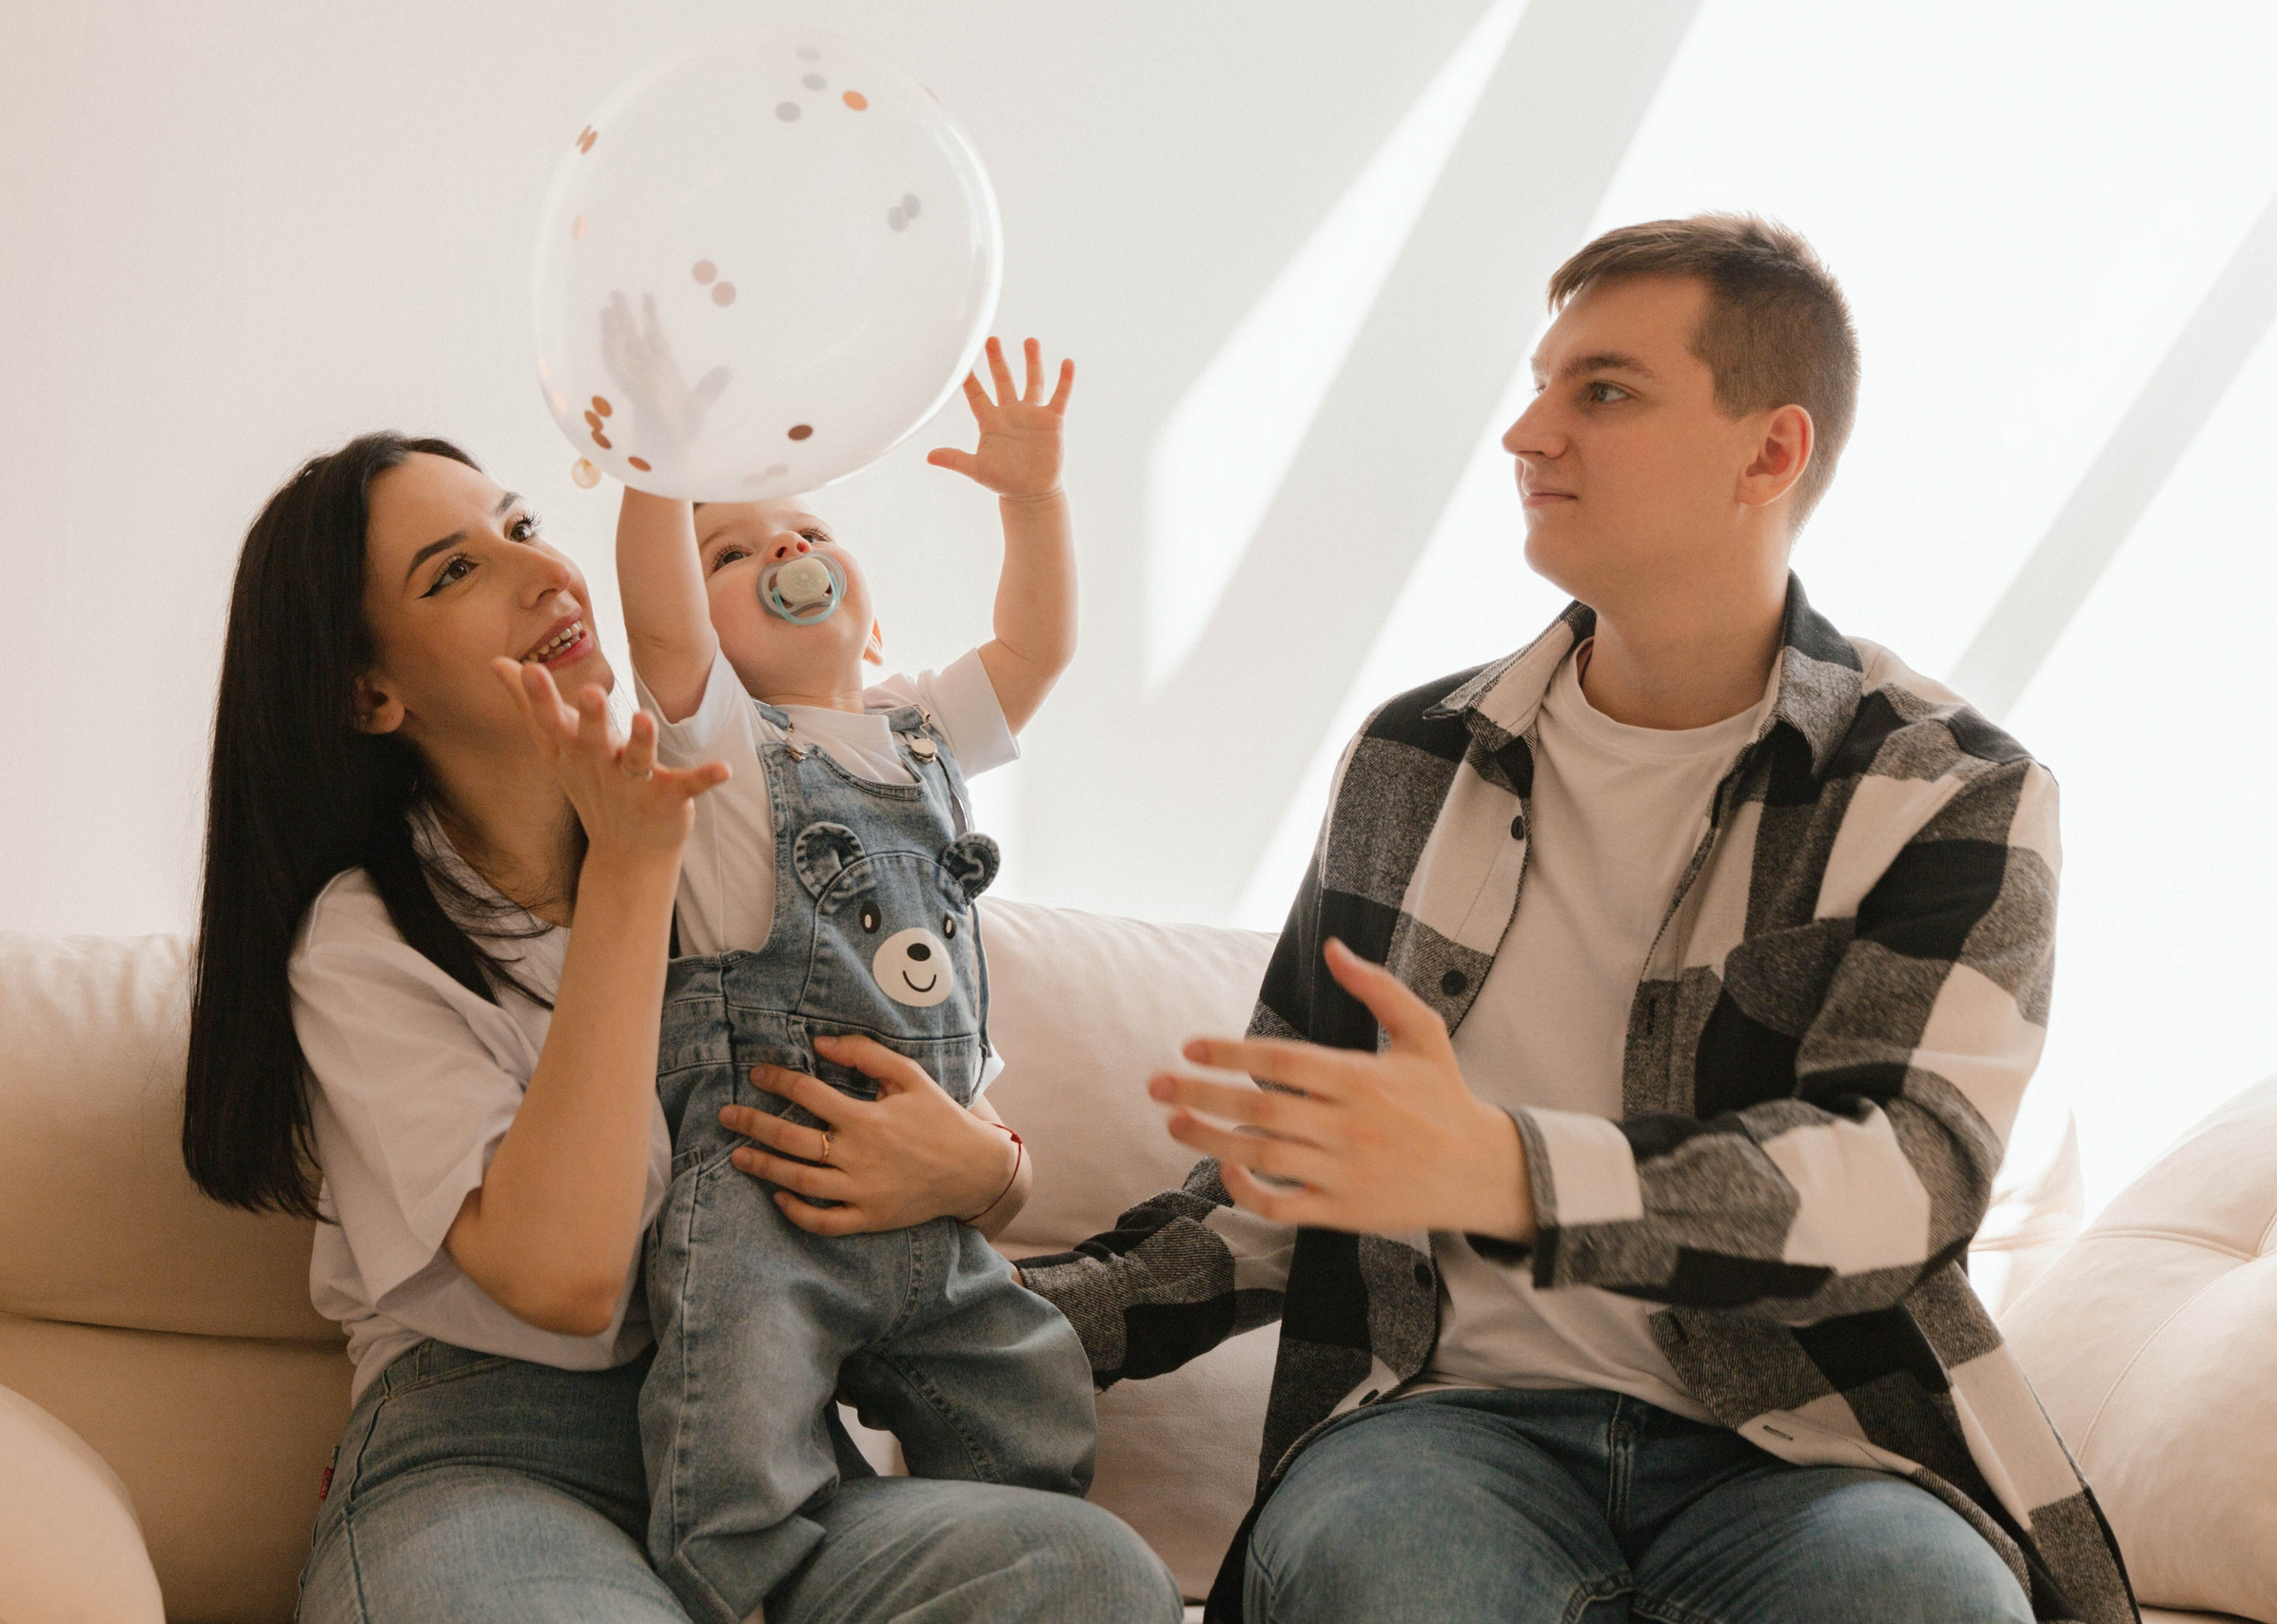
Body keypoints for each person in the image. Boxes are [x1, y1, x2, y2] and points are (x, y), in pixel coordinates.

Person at [1012, 217, 2138, 1623]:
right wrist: (992, 1317)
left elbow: (1904, 1181)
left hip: (1813, 1445)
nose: (1529, 432)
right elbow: (1286, 1182)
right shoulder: (1413, 758)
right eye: (1541, 384)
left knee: (1927, 1605)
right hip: (1444, 1425)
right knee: (1379, 1570)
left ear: (1769, 452)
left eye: (1603, 390)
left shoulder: (1947, 788)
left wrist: (1505, 1170)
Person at [179, 432, 1179, 1624]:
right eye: (454, 572)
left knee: (1088, 1572)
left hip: (770, 1457)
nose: (540, 573)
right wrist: (632, 876)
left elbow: (901, 1060)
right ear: (369, 692)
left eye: (523, 527)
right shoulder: (365, 940)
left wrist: (993, 1176)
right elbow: (569, 1274)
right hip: (500, 1462)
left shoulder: (738, 811)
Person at [609, 334, 1096, 1624]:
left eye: (801, 528)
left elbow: (1037, 648)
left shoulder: (924, 727)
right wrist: (661, 462)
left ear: (871, 620)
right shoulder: (716, 739)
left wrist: (1031, 499)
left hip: (935, 1202)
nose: (778, 550)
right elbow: (657, 619)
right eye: (731, 550)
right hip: (767, 1195)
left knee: (1036, 1393)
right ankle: (741, 1589)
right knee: (734, 1444)